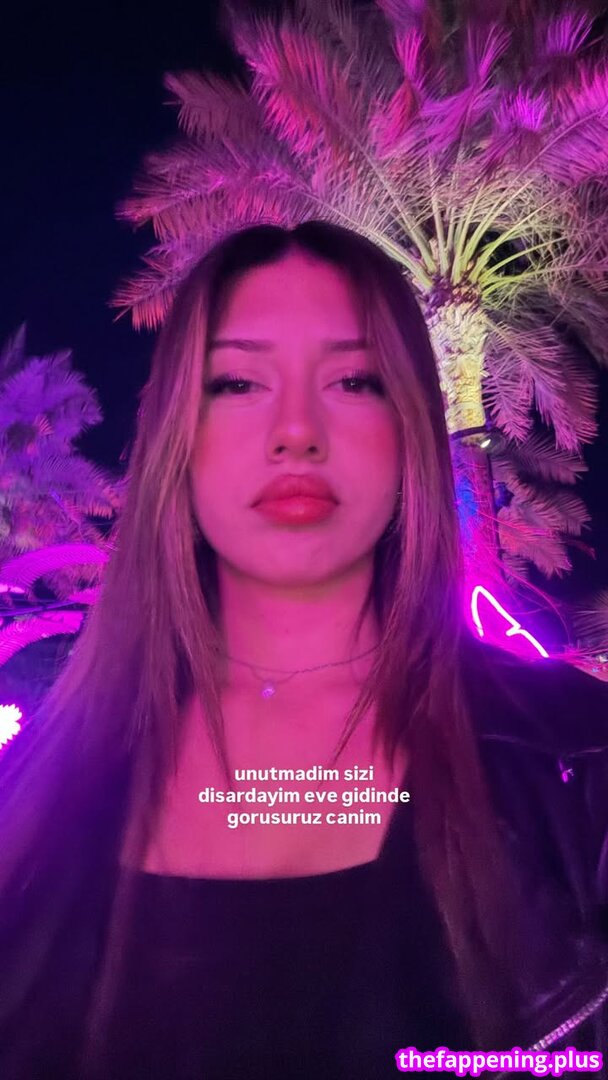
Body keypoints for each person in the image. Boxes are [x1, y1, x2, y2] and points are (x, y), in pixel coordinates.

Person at [0, 219, 608, 1080]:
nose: (296, 431)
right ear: (179, 435)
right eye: (238, 382)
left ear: (408, 426)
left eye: (354, 380)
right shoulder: (34, 784)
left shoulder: (582, 762)